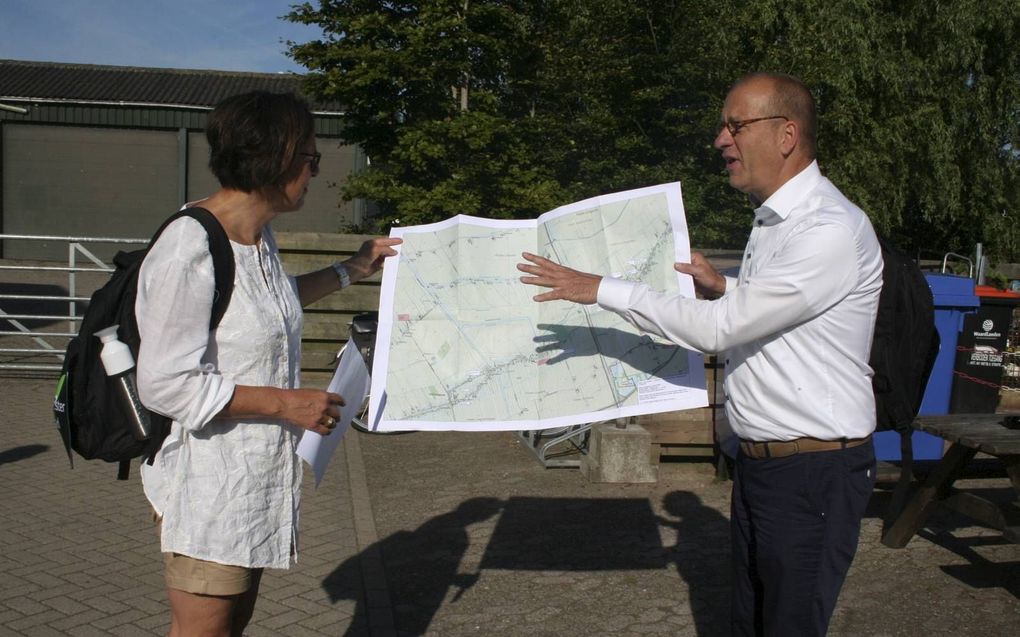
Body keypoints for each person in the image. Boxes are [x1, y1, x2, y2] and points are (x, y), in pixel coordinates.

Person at [518, 72, 882, 636]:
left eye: (735, 125)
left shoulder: (827, 228)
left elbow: (719, 333)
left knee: (788, 625)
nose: (720, 139)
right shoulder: (774, 220)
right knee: (748, 620)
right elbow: (786, 314)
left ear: (786, 134)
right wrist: (728, 288)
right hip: (767, 467)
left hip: (813, 472)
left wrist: (601, 288)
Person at [134, 90, 401, 637]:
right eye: (310, 158)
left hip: (251, 480)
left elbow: (268, 306)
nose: (314, 172)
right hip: (206, 485)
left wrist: (353, 269)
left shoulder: (256, 238)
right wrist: (287, 402)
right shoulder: (191, 246)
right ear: (275, 157)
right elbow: (164, 384)